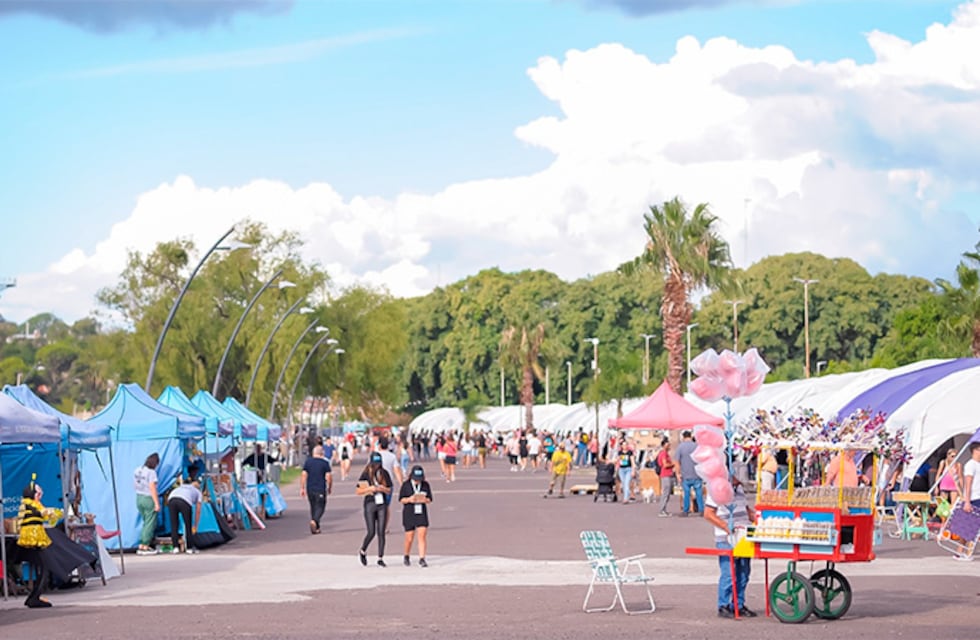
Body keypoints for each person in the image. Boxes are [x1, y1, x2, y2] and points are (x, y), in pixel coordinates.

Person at [703, 475, 757, 619]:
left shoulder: (739, 489)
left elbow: (746, 510)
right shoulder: (716, 489)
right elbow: (708, 514)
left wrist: (759, 519)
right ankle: (723, 605)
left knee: (744, 572)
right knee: (729, 573)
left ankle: (738, 604)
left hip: (744, 535)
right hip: (726, 537)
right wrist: (725, 526)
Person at [356, 452, 393, 566]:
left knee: (381, 531)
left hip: (381, 503)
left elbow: (389, 489)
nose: (376, 466)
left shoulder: (384, 473)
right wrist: (370, 489)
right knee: (371, 531)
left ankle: (380, 557)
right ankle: (363, 550)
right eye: (374, 464)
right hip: (370, 503)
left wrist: (382, 489)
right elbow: (358, 491)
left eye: (378, 464)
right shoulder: (366, 474)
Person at [399, 465, 433, 567]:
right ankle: (406, 555)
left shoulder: (425, 485)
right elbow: (401, 499)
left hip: (421, 512)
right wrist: (409, 499)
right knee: (409, 538)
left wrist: (424, 500)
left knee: (422, 536)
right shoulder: (406, 485)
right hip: (409, 512)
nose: (418, 481)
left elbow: (430, 499)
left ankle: (422, 558)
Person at [301, 445, 333, 534]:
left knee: (313, 506)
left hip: (310, 488)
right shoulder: (324, 463)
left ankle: (316, 527)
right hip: (320, 488)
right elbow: (329, 476)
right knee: (320, 507)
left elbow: (304, 475)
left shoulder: (308, 462)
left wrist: (302, 488)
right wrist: (329, 487)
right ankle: (314, 521)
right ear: (322, 453)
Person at [134, 452, 161, 555]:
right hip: (148, 498)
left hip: (139, 497)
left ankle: (141, 544)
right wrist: (157, 503)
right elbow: (152, 488)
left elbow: (135, 484)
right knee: (150, 523)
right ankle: (145, 545)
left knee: (146, 522)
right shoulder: (151, 473)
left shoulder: (138, 470)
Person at [167, 479, 203, 554]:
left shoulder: (179, 488)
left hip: (172, 499)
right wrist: (195, 525)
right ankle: (189, 548)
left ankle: (175, 547)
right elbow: (198, 510)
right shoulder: (197, 491)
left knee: (174, 525)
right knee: (188, 525)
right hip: (185, 501)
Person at [676, 430, 703, 517]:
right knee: (699, 493)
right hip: (696, 473)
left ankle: (686, 511)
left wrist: (678, 473)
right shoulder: (697, 446)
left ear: (683, 437)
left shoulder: (680, 447)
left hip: (685, 474)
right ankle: (701, 510)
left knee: (686, 493)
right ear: (691, 436)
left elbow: (677, 461)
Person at [657, 439, 677, 517]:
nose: (669, 446)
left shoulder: (665, 453)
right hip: (665, 475)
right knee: (665, 493)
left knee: (667, 493)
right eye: (667, 445)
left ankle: (664, 510)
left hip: (668, 474)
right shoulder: (663, 453)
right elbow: (665, 465)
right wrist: (673, 464)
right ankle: (662, 510)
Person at [962, 442, 980, 514]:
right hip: (974, 498)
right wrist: (967, 502)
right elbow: (968, 484)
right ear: (975, 450)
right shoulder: (971, 464)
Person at [616, 439, 635, 504]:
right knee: (624, 484)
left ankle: (625, 499)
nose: (625, 446)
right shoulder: (620, 452)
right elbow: (617, 460)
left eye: (626, 444)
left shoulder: (630, 452)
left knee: (626, 483)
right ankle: (628, 494)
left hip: (628, 469)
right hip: (621, 470)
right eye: (623, 445)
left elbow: (632, 462)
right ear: (621, 446)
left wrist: (633, 470)